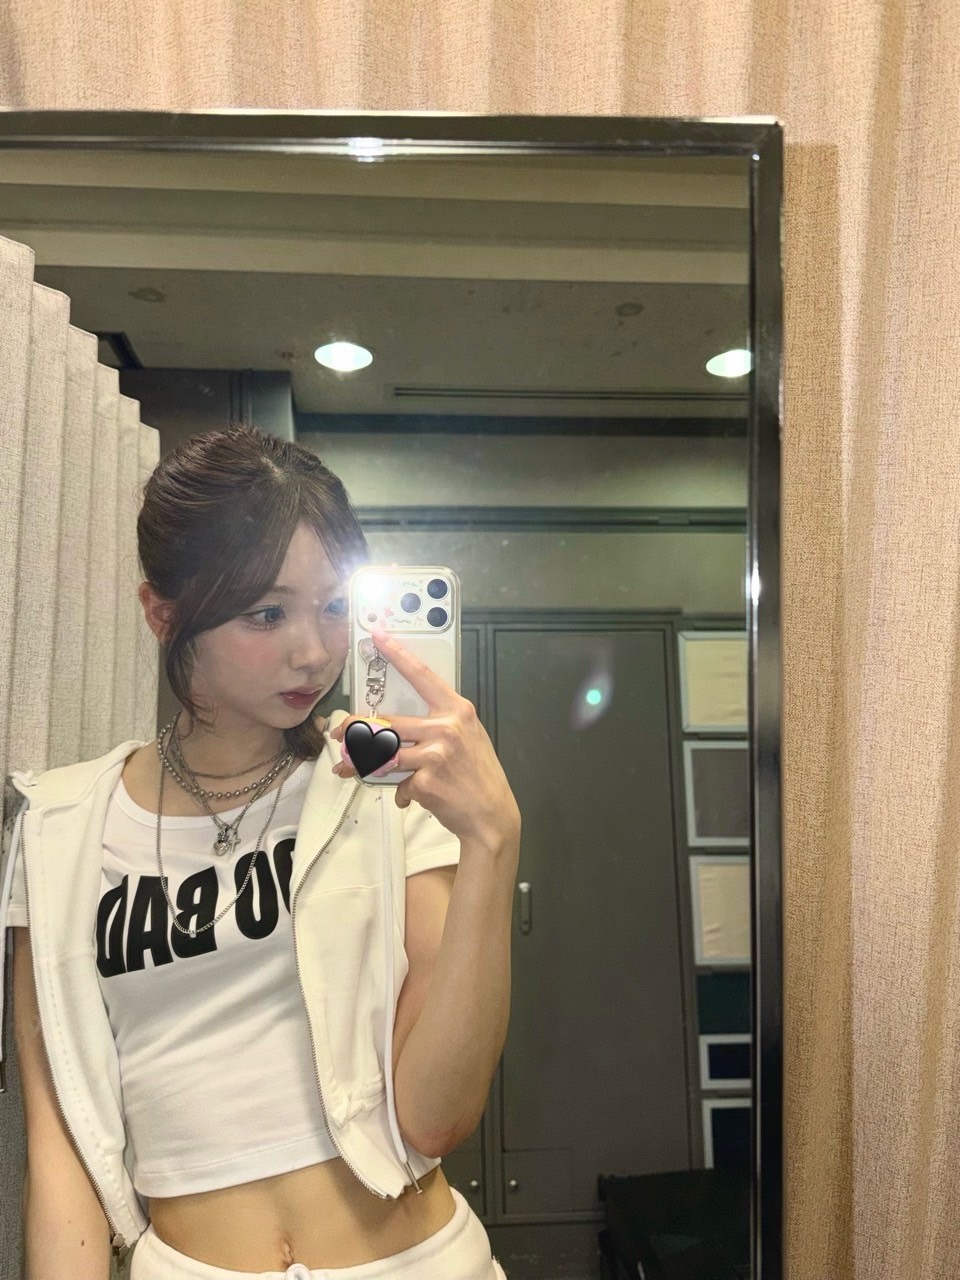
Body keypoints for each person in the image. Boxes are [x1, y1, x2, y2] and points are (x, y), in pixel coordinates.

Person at [1, 424, 520, 1280]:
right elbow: (58, 1154)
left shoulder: (384, 788)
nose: (313, 650)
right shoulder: (62, 827)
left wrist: (492, 842)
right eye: (267, 613)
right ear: (163, 614)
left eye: (333, 606)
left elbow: (435, 1117)